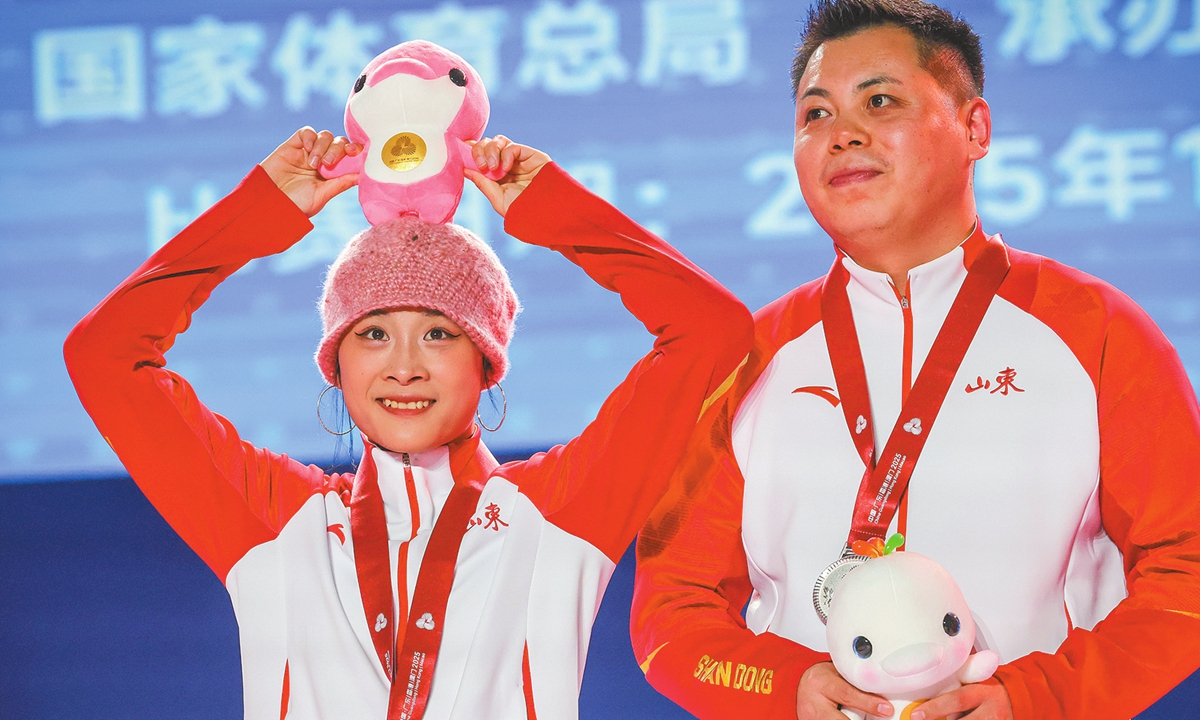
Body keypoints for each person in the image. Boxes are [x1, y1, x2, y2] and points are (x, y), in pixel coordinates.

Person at [629, 2, 1200, 720]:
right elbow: (670, 611)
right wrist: (784, 688)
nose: (842, 135)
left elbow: (1187, 572)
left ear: (974, 128)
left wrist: (1038, 700)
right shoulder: (747, 363)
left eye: (879, 100)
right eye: (815, 115)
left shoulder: (1099, 331)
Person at [64, 127, 752, 719]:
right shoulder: (273, 518)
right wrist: (258, 213)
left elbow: (711, 330)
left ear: (487, 363)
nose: (402, 367)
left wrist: (553, 210)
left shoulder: (558, 511)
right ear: (333, 365)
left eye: (439, 335)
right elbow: (104, 356)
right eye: (371, 335)